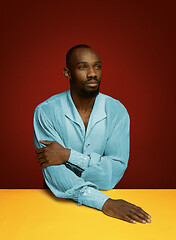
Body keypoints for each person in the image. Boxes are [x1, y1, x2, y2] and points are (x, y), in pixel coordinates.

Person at [33, 44, 151, 224]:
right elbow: (56, 175)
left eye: (97, 66)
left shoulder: (117, 111)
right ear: (67, 72)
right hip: (56, 206)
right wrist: (105, 203)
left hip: (101, 216)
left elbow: (114, 171)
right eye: (82, 67)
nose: (92, 73)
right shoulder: (46, 112)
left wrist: (68, 156)